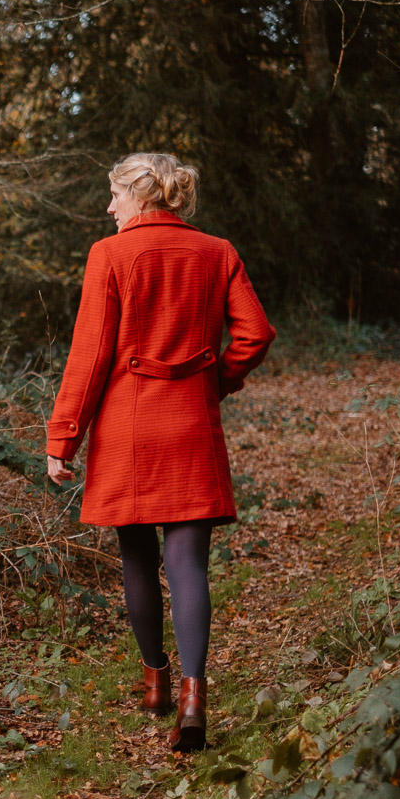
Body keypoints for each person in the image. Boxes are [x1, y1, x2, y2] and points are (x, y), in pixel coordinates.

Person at [44, 152, 275, 752]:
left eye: (115, 196)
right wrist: (217, 380)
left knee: (137, 559)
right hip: (190, 423)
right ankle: (196, 697)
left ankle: (155, 684)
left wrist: (63, 435)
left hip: (127, 427)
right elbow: (255, 332)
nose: (109, 208)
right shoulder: (217, 252)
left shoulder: (109, 255)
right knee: (188, 565)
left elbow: (91, 355)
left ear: (140, 198)